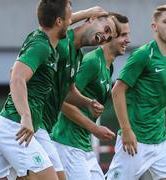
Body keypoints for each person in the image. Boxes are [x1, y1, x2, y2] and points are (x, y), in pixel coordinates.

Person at [0, 1, 72, 180]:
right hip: (15, 127)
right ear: (59, 21)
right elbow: (16, 77)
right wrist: (26, 116)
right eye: (70, 15)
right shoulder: (41, 46)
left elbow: (13, 72)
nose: (72, 20)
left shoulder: (43, 40)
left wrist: (90, 13)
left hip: (13, 126)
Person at [106, 5, 166, 180]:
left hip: (161, 140)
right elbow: (117, 91)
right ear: (154, 27)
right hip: (136, 141)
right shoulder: (143, 54)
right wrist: (126, 130)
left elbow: (150, 85)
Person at [35, 7, 117, 180]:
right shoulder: (64, 42)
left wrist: (88, 102)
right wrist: (88, 12)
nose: (105, 37)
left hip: (61, 137)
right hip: (47, 133)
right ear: (92, 19)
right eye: (106, 30)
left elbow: (67, 93)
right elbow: (51, 24)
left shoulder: (78, 55)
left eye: (109, 37)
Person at [50, 13, 130, 180]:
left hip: (83, 146)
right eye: (123, 35)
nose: (127, 40)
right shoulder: (92, 62)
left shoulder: (109, 68)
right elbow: (63, 101)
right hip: (67, 144)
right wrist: (94, 128)